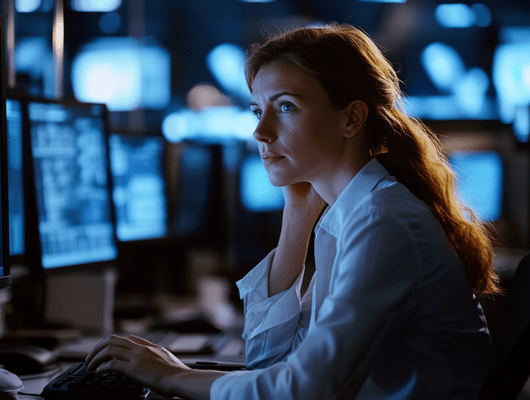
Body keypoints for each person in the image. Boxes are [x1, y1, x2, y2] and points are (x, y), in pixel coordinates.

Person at [85, 23, 501, 399]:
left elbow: (305, 389)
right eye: (256, 110)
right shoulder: (350, 214)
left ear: (352, 118)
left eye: (285, 107)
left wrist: (172, 377)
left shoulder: (382, 220)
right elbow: (269, 361)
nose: (260, 132)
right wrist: (296, 219)